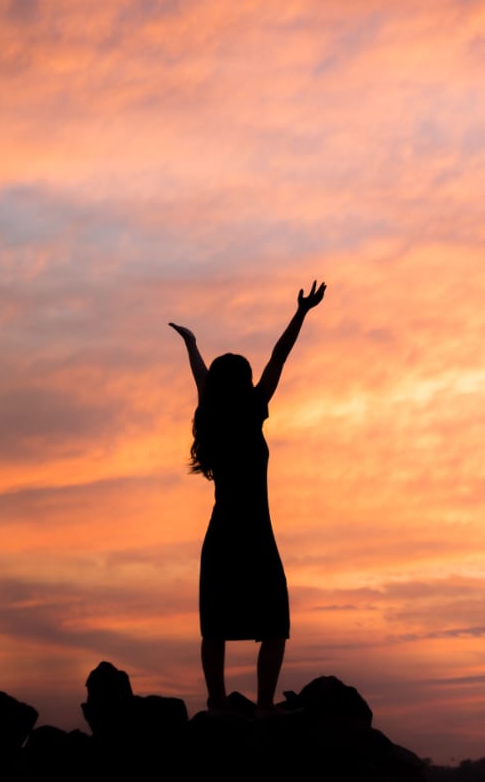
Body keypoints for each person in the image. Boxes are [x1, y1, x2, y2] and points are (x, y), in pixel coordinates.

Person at [170, 280, 326, 712]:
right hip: (255, 533)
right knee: (274, 622)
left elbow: (200, 376)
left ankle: (218, 704)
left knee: (216, 625)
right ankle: (261, 709)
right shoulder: (253, 409)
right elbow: (280, 356)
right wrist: (301, 313)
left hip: (223, 533)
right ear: (244, 382)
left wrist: (192, 343)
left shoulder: (213, 415)